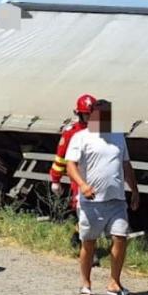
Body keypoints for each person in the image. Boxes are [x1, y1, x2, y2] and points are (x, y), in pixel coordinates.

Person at [65, 98, 140, 295]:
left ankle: (114, 283)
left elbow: (126, 165)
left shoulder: (118, 137)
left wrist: (134, 190)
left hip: (116, 200)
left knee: (120, 238)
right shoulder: (81, 137)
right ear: (91, 115)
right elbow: (70, 165)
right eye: (100, 114)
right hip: (91, 202)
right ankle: (86, 283)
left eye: (108, 114)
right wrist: (83, 185)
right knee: (89, 243)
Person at [50, 94, 95, 255]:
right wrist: (56, 179)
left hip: (97, 177)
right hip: (78, 177)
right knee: (83, 211)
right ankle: (88, 251)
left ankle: (78, 237)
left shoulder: (102, 131)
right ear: (80, 114)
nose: (90, 118)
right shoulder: (71, 133)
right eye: (87, 114)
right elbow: (61, 157)